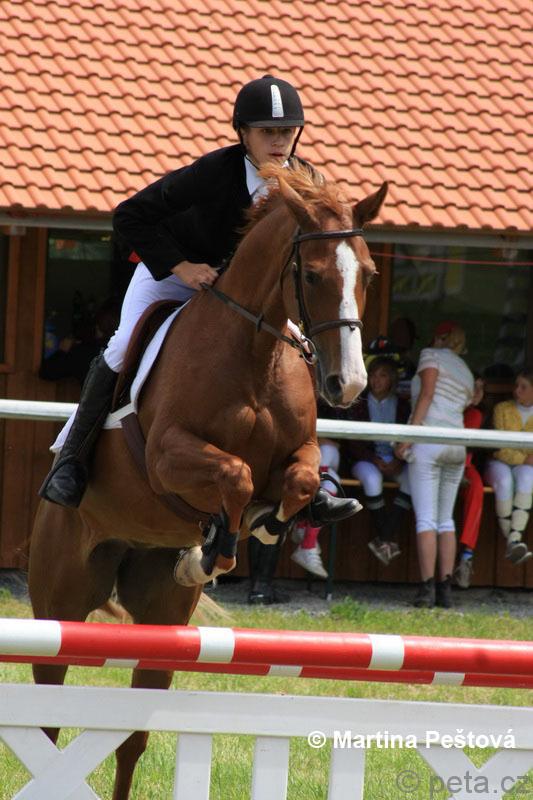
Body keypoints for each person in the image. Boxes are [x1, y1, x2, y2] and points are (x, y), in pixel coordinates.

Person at [38, 75, 360, 534]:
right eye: (267, 132)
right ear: (242, 133)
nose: (278, 141)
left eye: (286, 131)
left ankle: (311, 480)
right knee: (121, 346)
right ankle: (71, 461)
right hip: (174, 277)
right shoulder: (214, 173)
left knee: (303, 350)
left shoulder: (308, 182)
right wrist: (182, 266)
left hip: (245, 299)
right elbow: (129, 216)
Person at [396, 321, 474, 609]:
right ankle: (445, 590)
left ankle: (427, 588)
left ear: (440, 337)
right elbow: (468, 401)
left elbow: (427, 395)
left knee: (427, 519)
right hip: (457, 442)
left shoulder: (430, 355)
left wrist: (408, 438)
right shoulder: (465, 370)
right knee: (446, 519)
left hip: (429, 440)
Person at [346, 356, 411, 565]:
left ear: (392, 379)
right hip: (367, 460)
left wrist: (399, 461)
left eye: (383, 375)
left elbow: (409, 438)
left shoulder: (403, 406)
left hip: (396, 460)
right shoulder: (359, 403)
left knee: (411, 479)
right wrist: (373, 459)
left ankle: (384, 538)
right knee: (372, 480)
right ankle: (387, 538)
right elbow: (353, 442)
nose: (376, 380)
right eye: (373, 375)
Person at [484, 368, 533, 565]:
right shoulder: (502, 408)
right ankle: (513, 542)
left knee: (528, 477)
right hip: (499, 462)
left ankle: (512, 542)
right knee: (504, 481)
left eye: (524, 387)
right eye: (516, 385)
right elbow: (500, 448)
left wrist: (525, 460)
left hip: (525, 467)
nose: (517, 390)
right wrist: (525, 458)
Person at [453, 376, 486, 589]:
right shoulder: (450, 408)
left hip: (468, 466)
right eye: (474, 387)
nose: (477, 393)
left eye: (481, 389)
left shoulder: (480, 414)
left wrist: (464, 467)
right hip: (445, 462)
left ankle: (467, 556)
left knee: (477, 488)